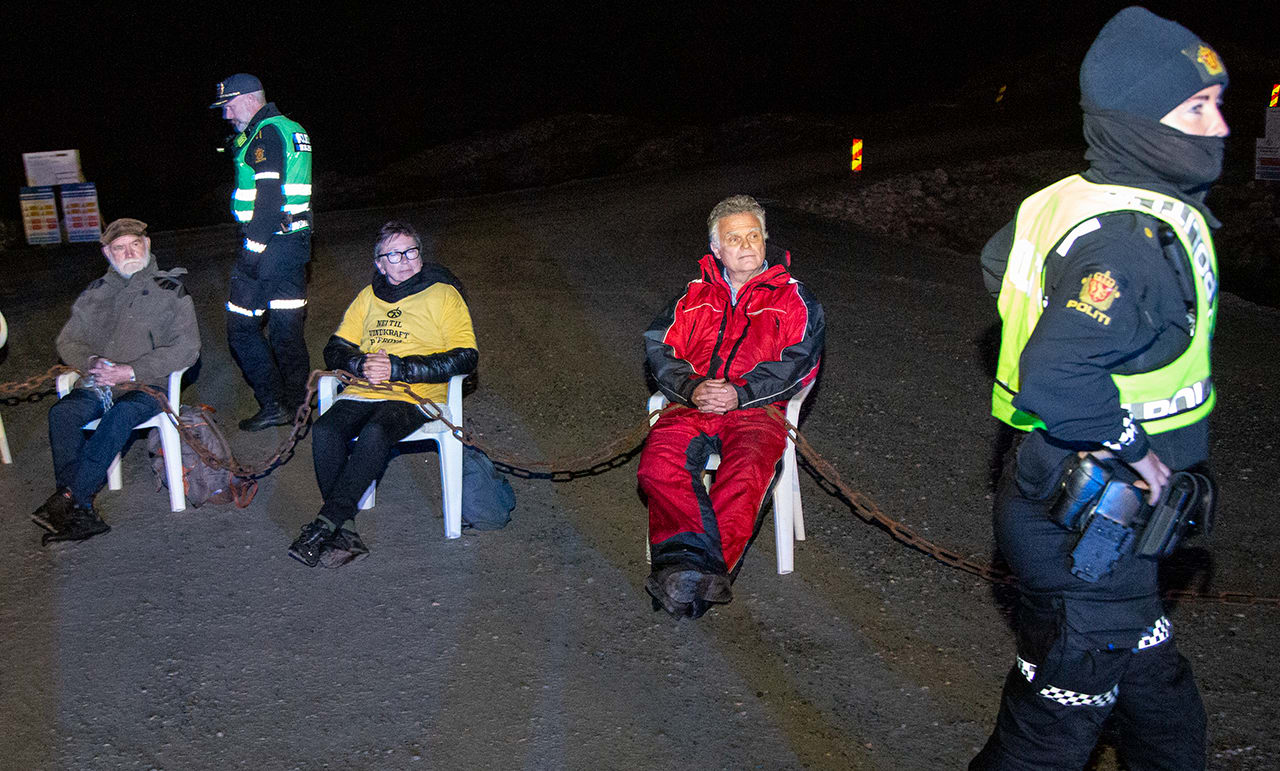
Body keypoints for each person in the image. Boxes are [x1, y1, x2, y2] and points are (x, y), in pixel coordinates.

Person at [972, 7, 1228, 769]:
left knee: (1165, 713)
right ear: (1136, 120)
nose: (1218, 127)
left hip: (1067, 498)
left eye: (1218, 104)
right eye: (1196, 108)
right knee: (1049, 733)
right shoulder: (1131, 242)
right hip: (1089, 524)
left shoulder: (1074, 195)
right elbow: (1056, 372)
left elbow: (999, 263)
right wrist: (1137, 451)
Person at [639, 195, 824, 618]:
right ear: (716, 249)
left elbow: (800, 361)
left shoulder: (796, 298)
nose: (746, 245)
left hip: (758, 411)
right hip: (694, 406)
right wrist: (692, 388)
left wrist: (741, 393)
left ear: (765, 239)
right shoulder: (693, 295)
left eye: (753, 236)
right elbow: (660, 349)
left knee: (744, 475)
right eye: (734, 238)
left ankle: (686, 580)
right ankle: (696, 575)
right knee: (658, 465)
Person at [288, 221, 477, 568]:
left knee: (376, 431)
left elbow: (466, 356)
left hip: (415, 394)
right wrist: (360, 364)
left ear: (420, 255)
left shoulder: (443, 294)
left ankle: (324, 526)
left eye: (411, 251)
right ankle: (344, 530)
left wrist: (399, 368)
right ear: (379, 264)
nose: (404, 261)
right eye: (394, 255)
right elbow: (335, 349)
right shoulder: (367, 297)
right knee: (325, 429)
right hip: (364, 390)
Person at [30, 218, 200, 544]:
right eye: (120, 248)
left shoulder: (171, 290)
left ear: (146, 245)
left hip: (147, 384)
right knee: (62, 413)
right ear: (108, 254)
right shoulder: (96, 292)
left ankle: (69, 498)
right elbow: (68, 341)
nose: (129, 253)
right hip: (100, 383)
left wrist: (131, 370)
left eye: (135, 245)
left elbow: (187, 348)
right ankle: (80, 510)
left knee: (120, 415)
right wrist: (91, 361)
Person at [210, 73, 314, 431]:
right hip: (292, 244)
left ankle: (275, 404)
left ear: (248, 99)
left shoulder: (265, 134)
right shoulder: (290, 128)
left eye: (228, 105)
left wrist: (251, 253)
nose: (226, 114)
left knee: (242, 328)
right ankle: (298, 407)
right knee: (286, 331)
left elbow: (268, 201)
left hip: (268, 245)